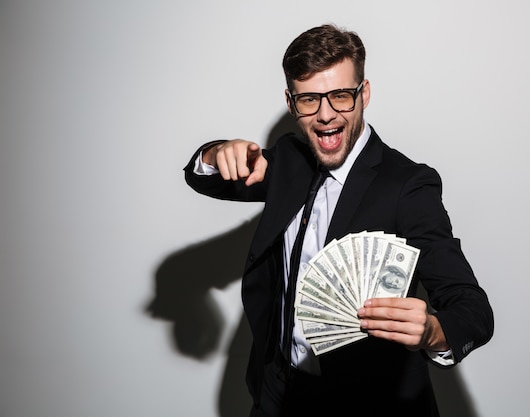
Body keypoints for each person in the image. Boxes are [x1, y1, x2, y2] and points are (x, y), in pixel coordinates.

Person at [184, 23, 494, 417]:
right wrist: (217, 151)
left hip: (367, 403)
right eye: (309, 100)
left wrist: (434, 331)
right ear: (291, 101)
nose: (326, 115)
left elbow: (473, 310)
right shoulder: (289, 162)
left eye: (341, 96)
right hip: (278, 391)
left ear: (363, 94)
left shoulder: (407, 185)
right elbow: (203, 177)